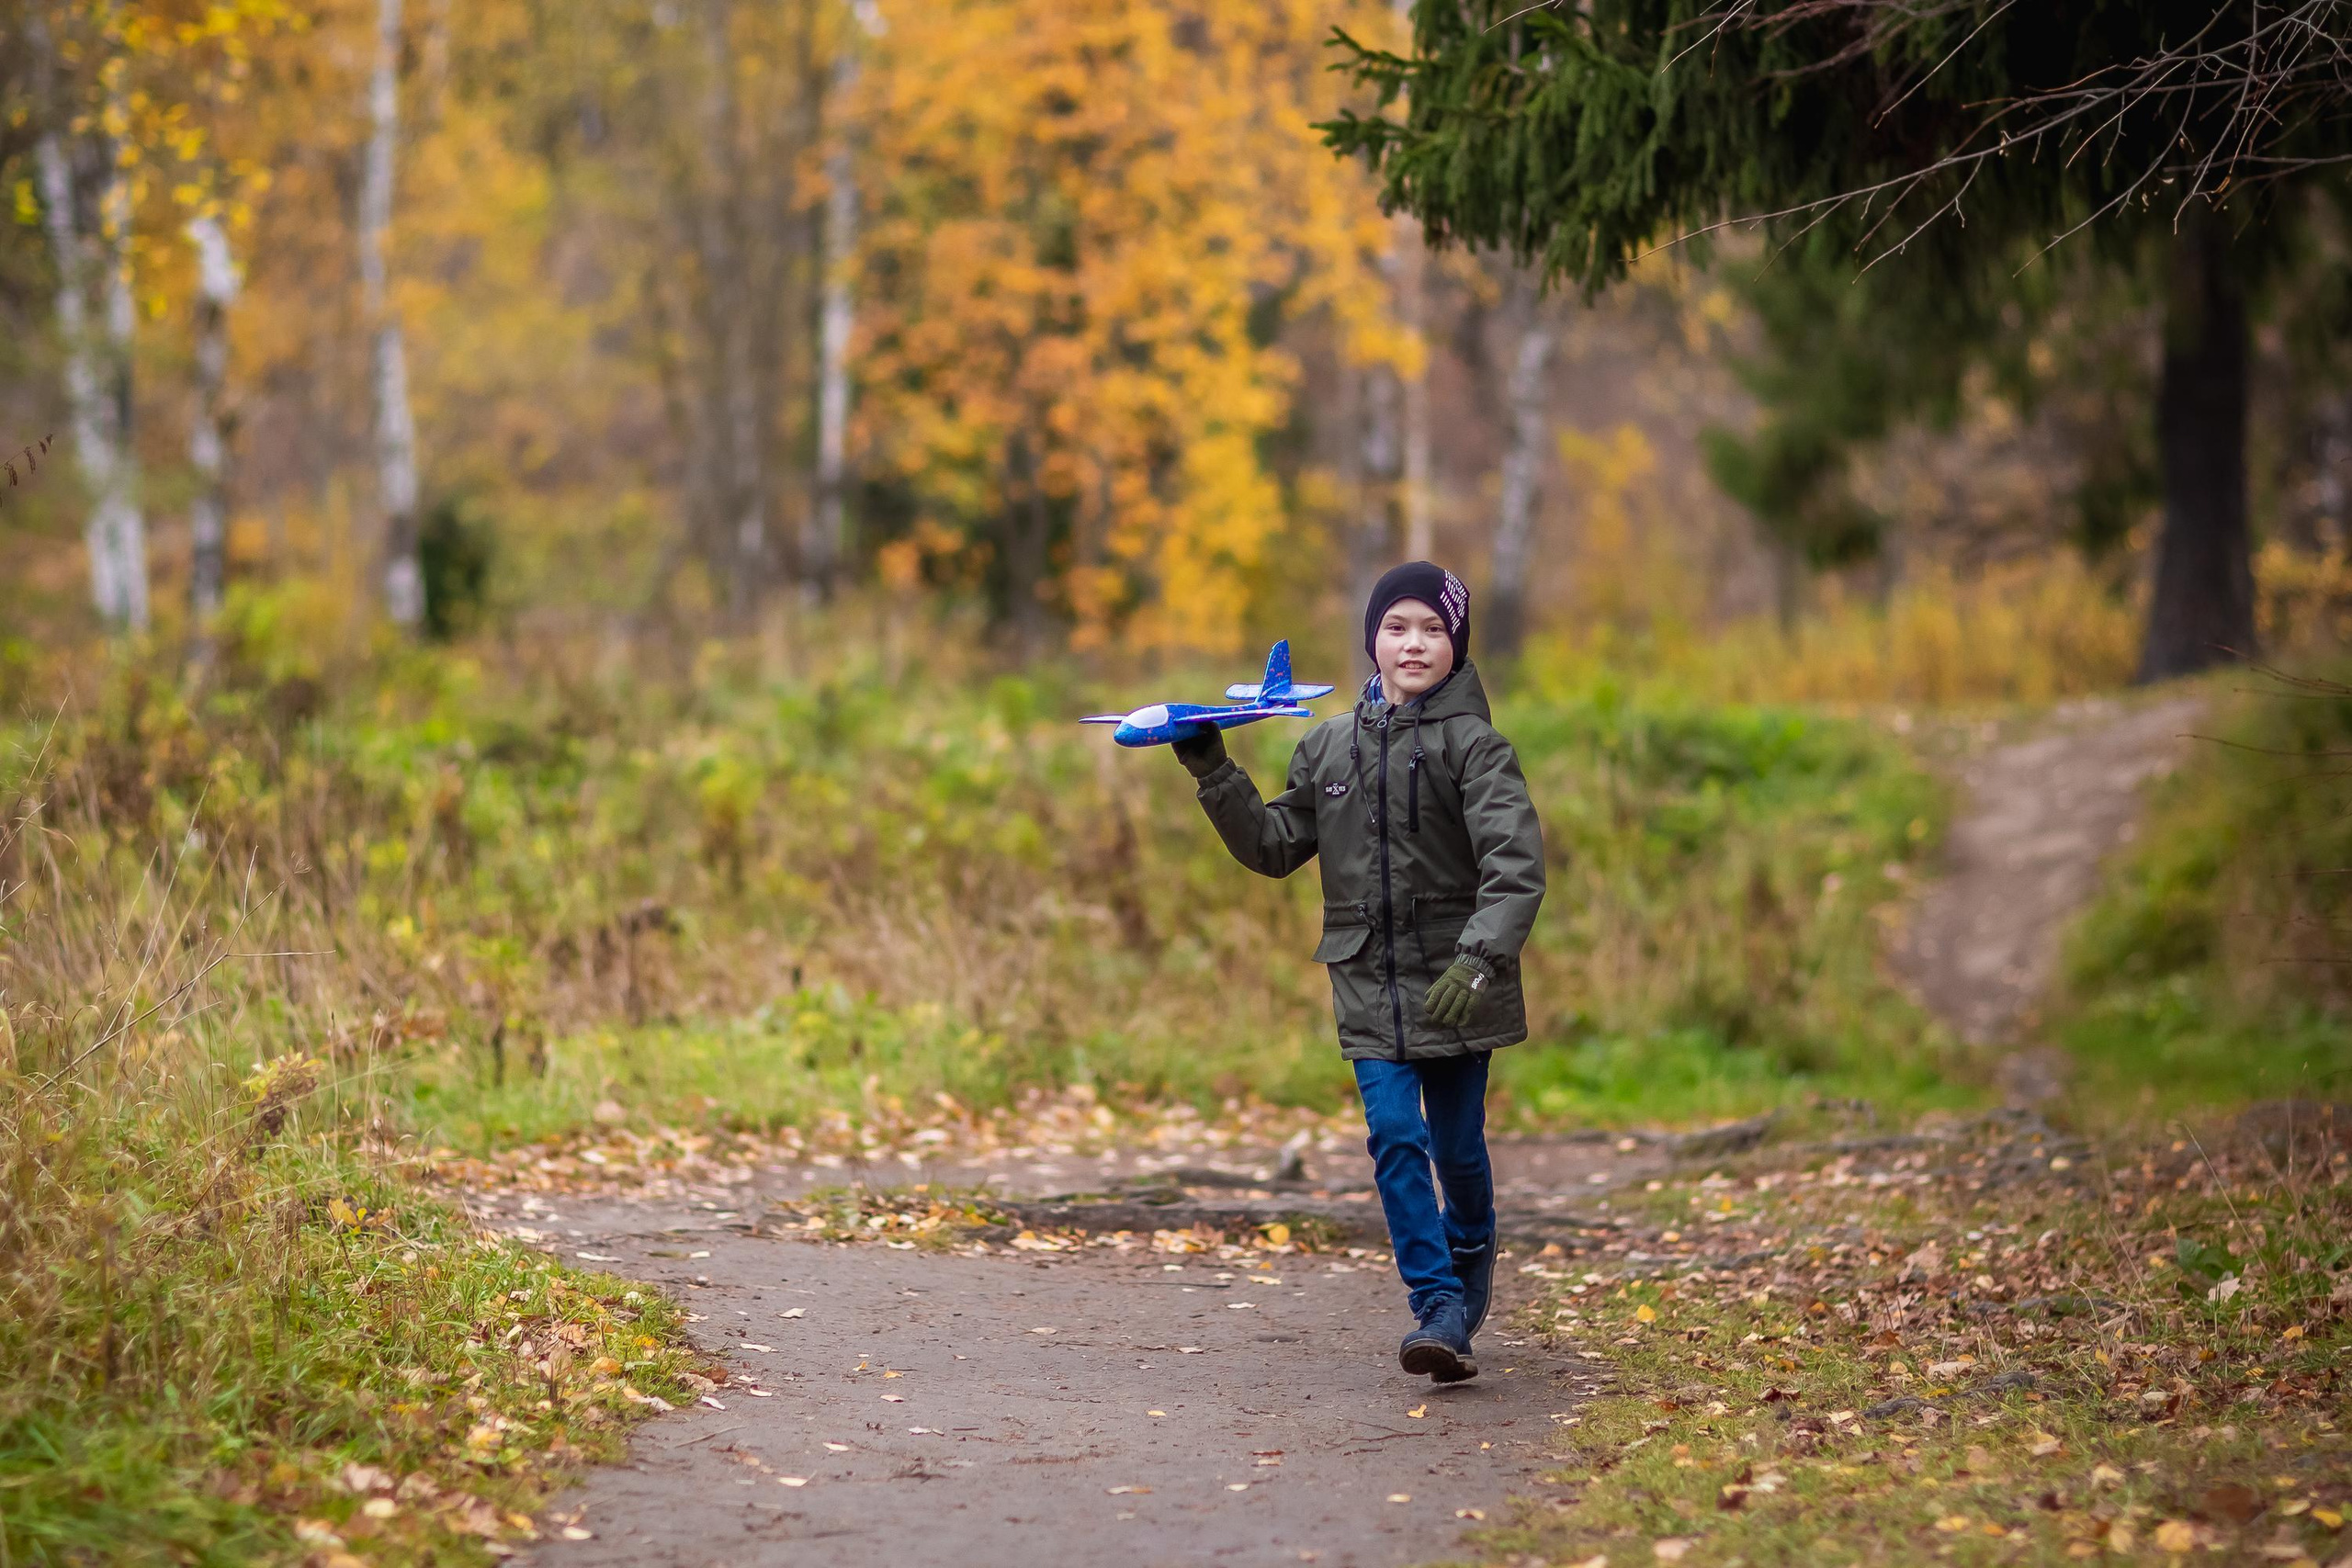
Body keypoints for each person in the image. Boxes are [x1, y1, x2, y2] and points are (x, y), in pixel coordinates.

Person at [1171, 563, 1545, 1383]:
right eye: (1397, 626)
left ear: (1457, 645)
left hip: (1455, 981)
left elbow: (1515, 868)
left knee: (1457, 1150)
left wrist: (1480, 958)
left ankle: (1473, 1240)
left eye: (1433, 629)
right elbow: (1274, 847)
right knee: (1394, 1136)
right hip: (1366, 977)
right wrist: (1215, 772)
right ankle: (1438, 1306)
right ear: (1372, 639)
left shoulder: (1476, 749)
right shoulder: (1328, 745)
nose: (1414, 643)